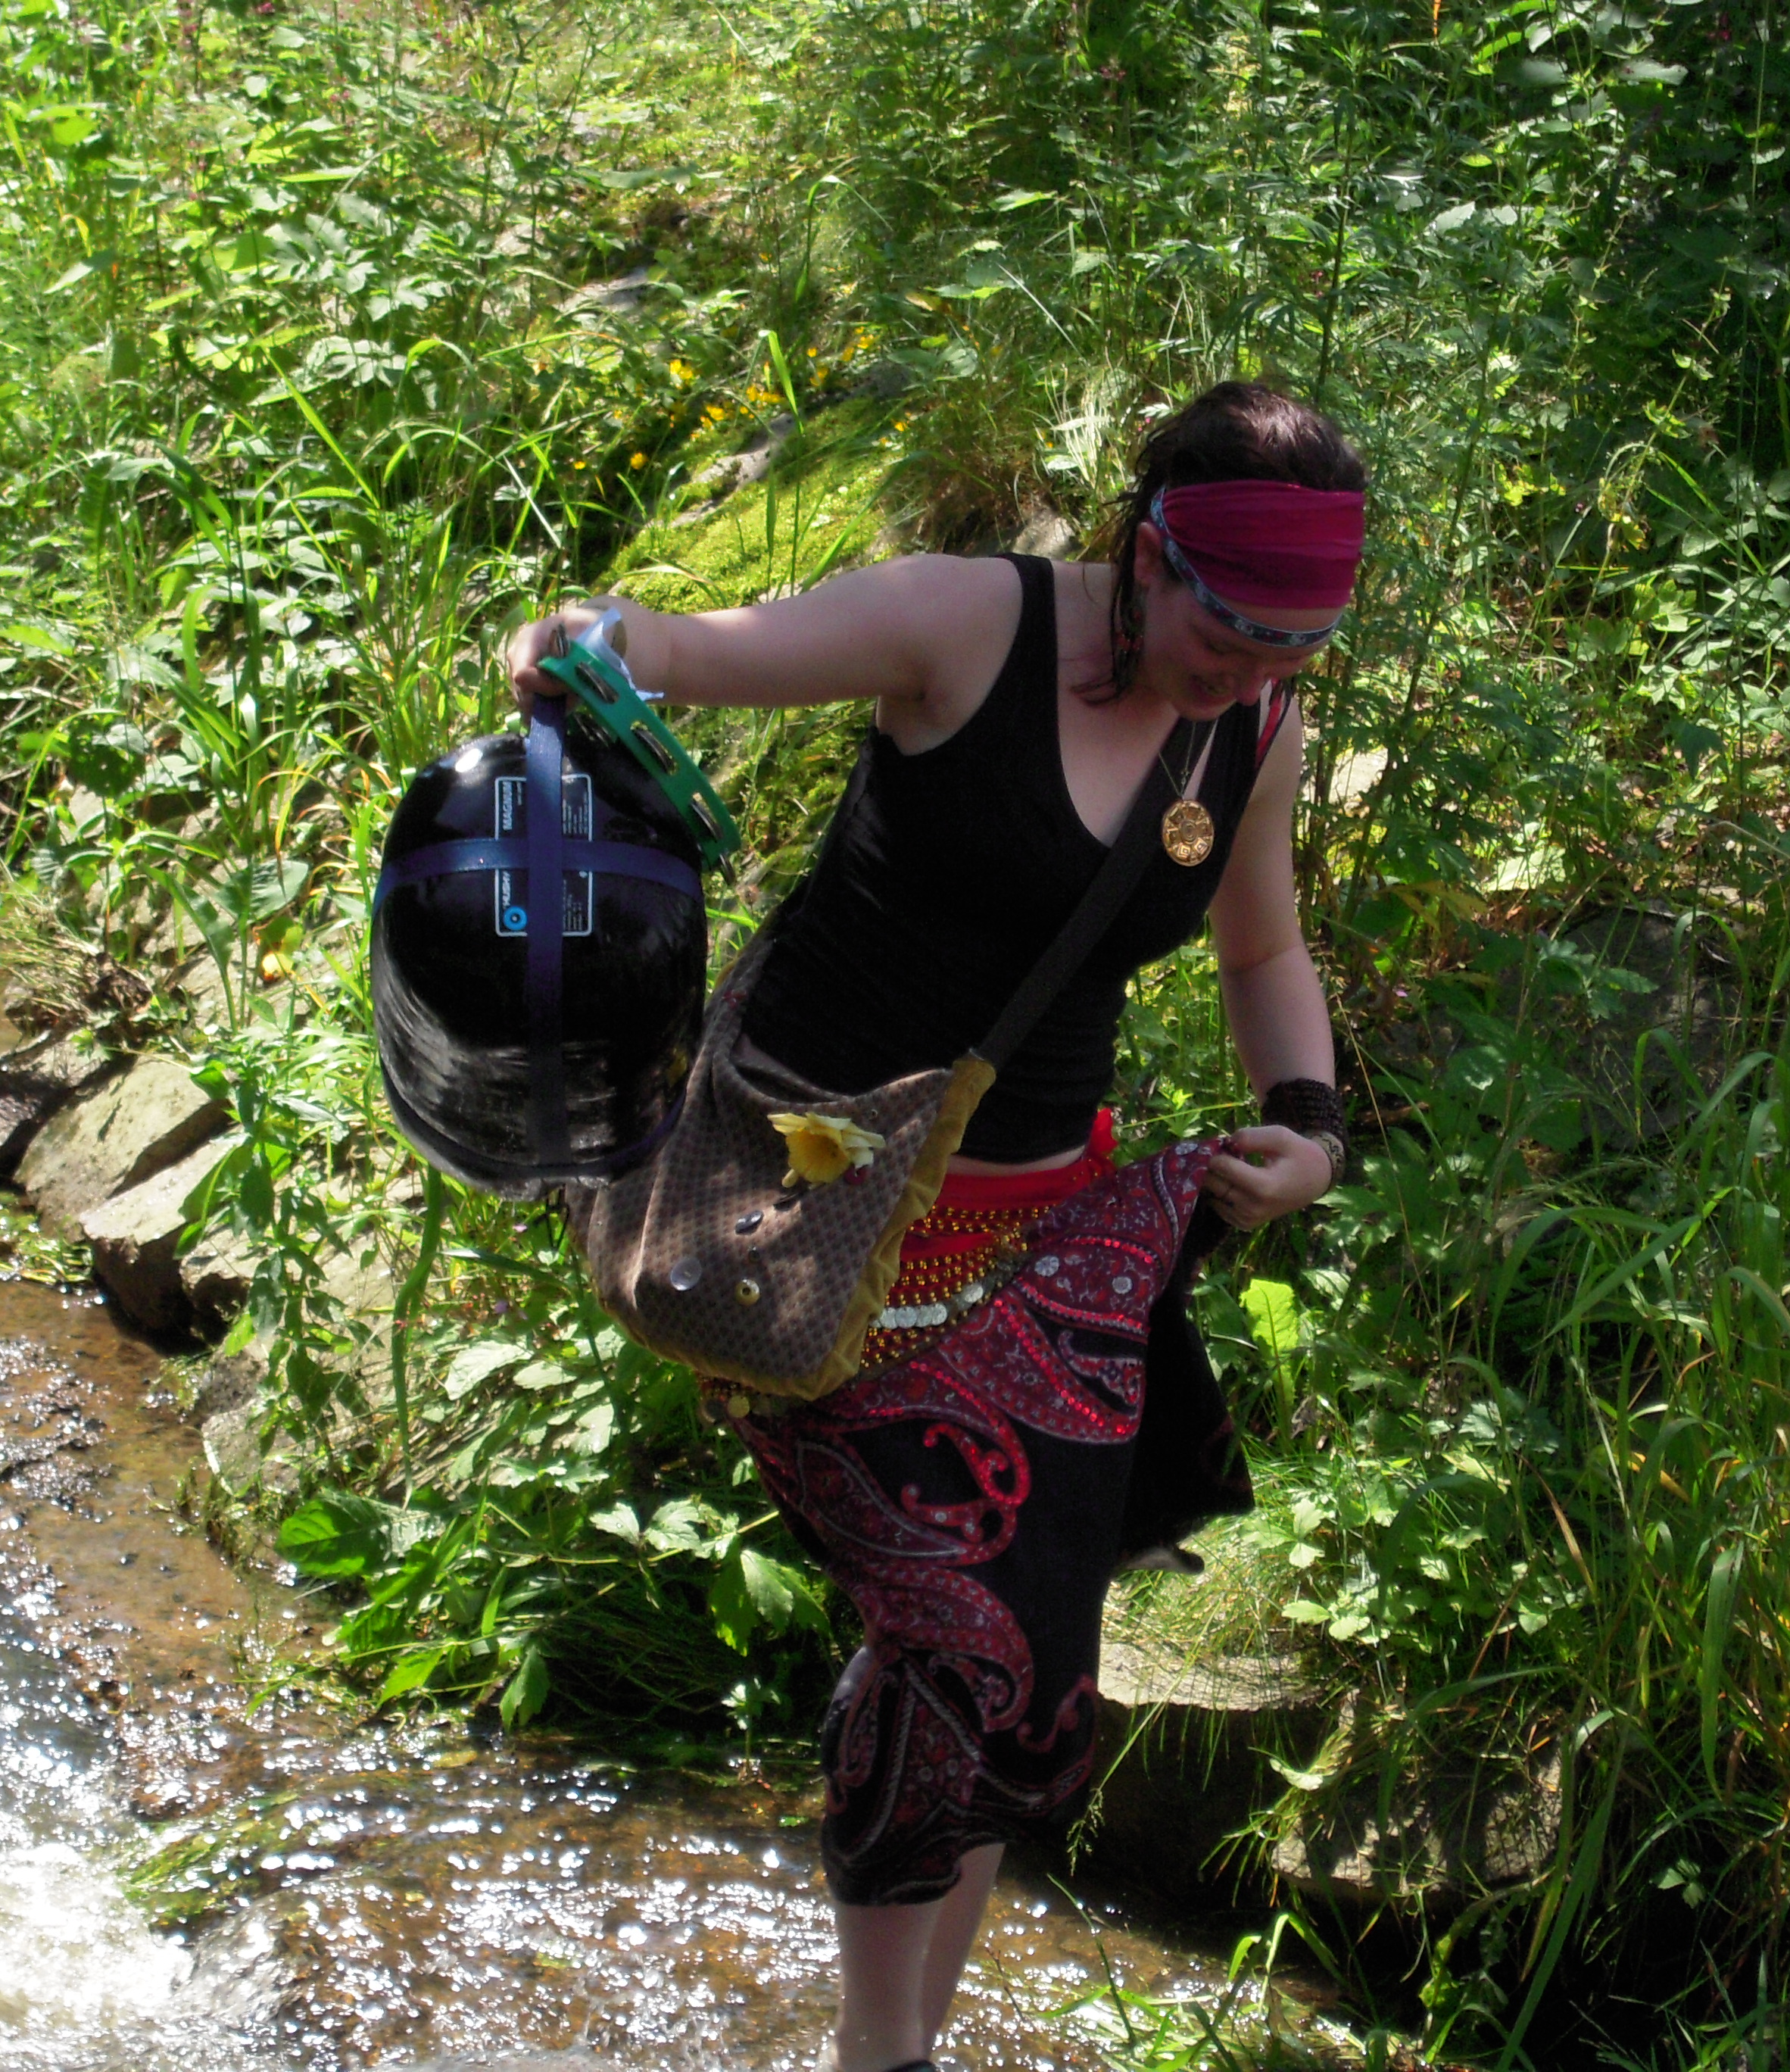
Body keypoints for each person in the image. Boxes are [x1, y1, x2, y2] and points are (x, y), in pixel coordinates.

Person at [504, 379, 1362, 2072]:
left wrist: (1315, 1131)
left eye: (1293, 650)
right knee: (960, 1641)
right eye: (1228, 630)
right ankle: (882, 2052)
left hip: (1042, 1250)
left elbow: (1263, 950)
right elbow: (686, 648)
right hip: (800, 1215)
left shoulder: (1255, 729)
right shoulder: (963, 625)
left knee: (1017, 1665)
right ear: (1149, 551)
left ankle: (896, 2045)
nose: (1250, 673)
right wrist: (584, 641)